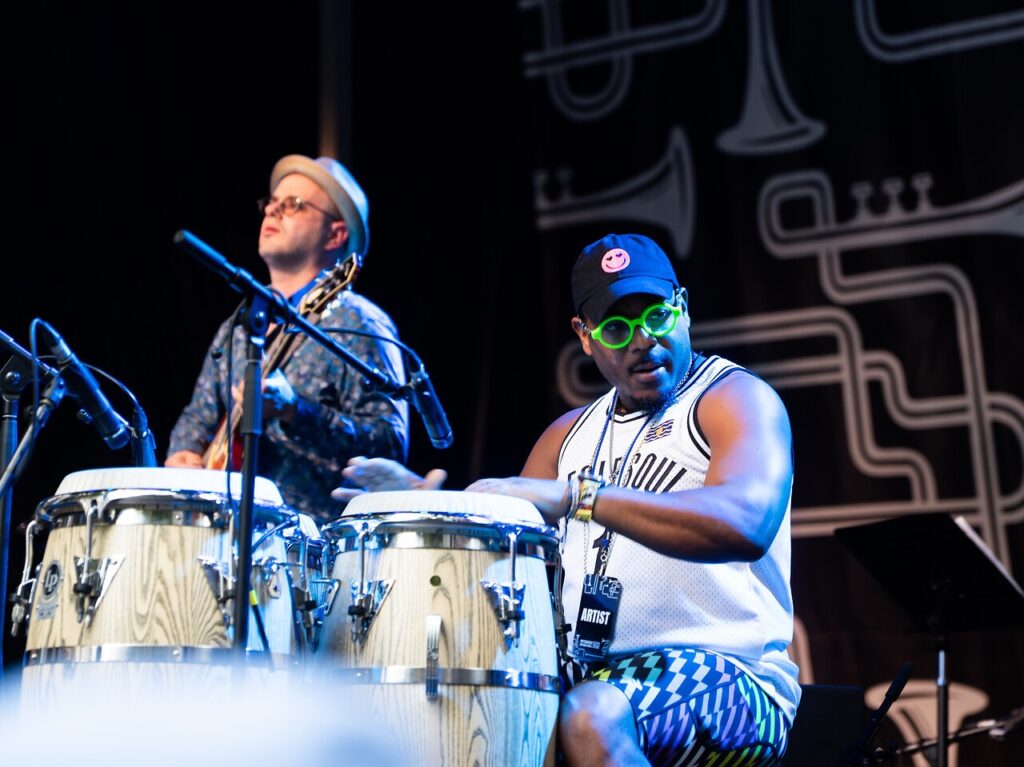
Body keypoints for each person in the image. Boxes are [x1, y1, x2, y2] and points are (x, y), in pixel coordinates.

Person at [336, 233, 800, 766]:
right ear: (585, 336)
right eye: (617, 328)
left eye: (657, 317)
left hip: (734, 676)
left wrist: (580, 495)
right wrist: (431, 509)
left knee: (589, 715)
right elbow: (501, 542)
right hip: (595, 676)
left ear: (684, 307)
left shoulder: (732, 397)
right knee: (467, 710)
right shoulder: (567, 437)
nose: (643, 340)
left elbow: (745, 523)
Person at [167, 154, 409, 520]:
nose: (273, 211)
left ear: (335, 234)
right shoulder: (239, 326)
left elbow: (390, 444)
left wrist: (297, 411)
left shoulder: (360, 323)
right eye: (272, 202)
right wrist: (183, 453)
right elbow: (196, 417)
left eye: (294, 204)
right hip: (223, 536)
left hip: (311, 541)